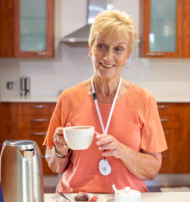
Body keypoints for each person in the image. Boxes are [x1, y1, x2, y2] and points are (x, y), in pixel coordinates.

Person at [43, 10, 167, 193]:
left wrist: (121, 150)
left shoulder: (145, 100)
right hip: (76, 197)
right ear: (90, 49)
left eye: (118, 49)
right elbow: (55, 166)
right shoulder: (68, 98)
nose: (108, 57)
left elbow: (152, 170)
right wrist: (60, 151)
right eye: (101, 46)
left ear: (127, 56)